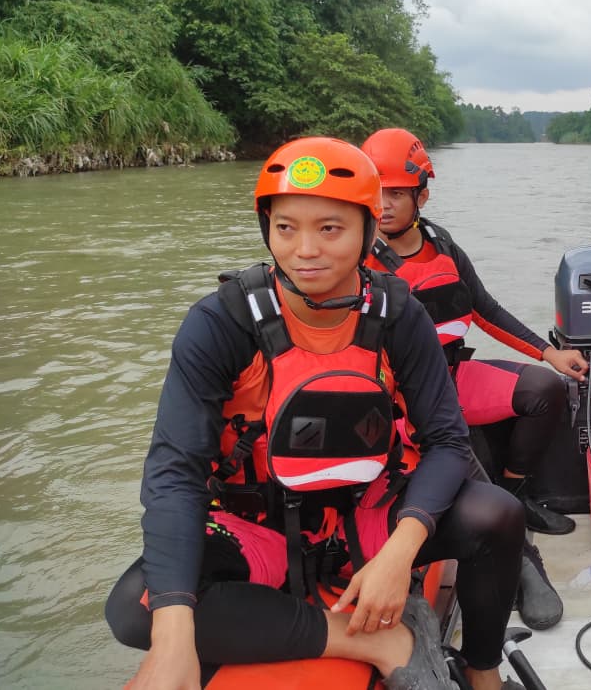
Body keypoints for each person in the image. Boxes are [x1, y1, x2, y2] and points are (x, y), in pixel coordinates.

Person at [105, 137, 525, 690]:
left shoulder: (398, 314)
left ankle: (483, 672)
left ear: (367, 232)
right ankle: (357, 636)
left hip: (371, 513)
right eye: (286, 228)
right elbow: (174, 473)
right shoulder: (219, 324)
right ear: (267, 228)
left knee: (497, 516)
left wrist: (402, 553)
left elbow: (447, 441)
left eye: (330, 228)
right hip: (258, 526)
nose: (305, 250)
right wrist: (174, 633)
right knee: (137, 610)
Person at [360, 128, 587, 631]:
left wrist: (550, 352)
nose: (384, 205)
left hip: (452, 373)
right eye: (376, 193)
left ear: (422, 194)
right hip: (401, 397)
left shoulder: (442, 245)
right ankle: (524, 558)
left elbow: (484, 309)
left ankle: (519, 497)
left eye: (396, 193)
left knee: (547, 391)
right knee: (454, 443)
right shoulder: (358, 260)